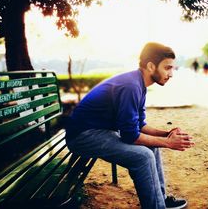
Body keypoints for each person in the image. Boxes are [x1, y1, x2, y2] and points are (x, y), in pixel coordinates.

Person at [65, 42, 194, 209]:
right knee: (143, 156)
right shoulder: (131, 86)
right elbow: (130, 136)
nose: (171, 74)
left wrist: (166, 134)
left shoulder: (139, 84)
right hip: (82, 136)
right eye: (167, 68)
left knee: (152, 148)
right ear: (150, 66)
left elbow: (139, 125)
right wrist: (169, 143)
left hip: (97, 131)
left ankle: (160, 200)